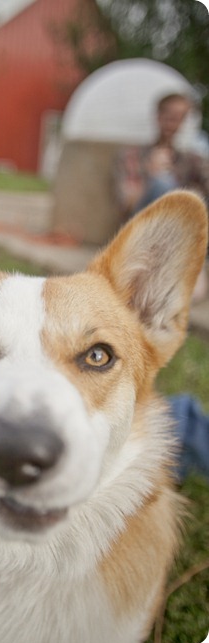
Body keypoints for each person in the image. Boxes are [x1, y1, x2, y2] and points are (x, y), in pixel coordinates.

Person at [114, 92, 209, 482]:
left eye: (180, 117)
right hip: (137, 241)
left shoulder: (196, 160)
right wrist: (152, 177)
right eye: (168, 115)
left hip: (182, 240)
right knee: (164, 187)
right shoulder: (132, 154)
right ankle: (191, 278)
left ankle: (192, 271)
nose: (173, 122)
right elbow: (125, 203)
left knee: (183, 195)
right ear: (157, 117)